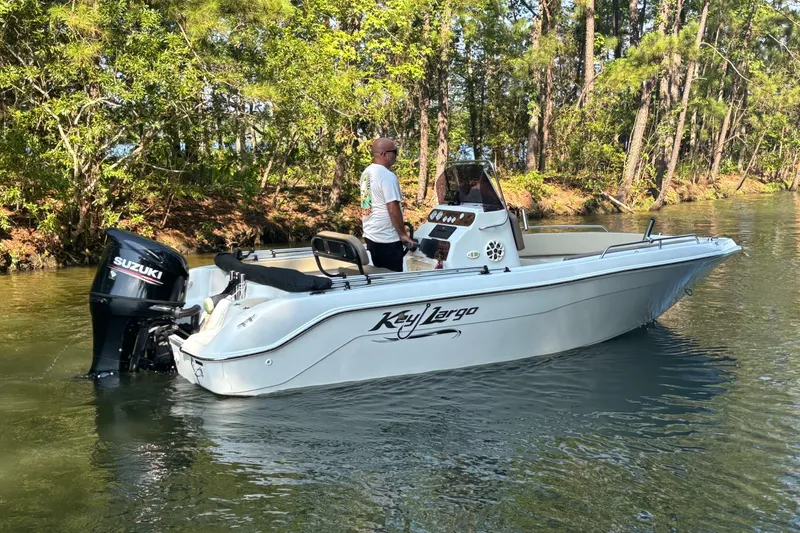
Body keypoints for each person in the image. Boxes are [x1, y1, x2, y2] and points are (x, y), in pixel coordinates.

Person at [359, 138, 415, 272]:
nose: (396, 155)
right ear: (384, 154)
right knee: (392, 280)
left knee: (381, 275)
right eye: (395, 151)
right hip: (387, 238)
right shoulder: (387, 176)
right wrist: (403, 234)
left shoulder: (366, 173)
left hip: (371, 235)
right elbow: (393, 208)